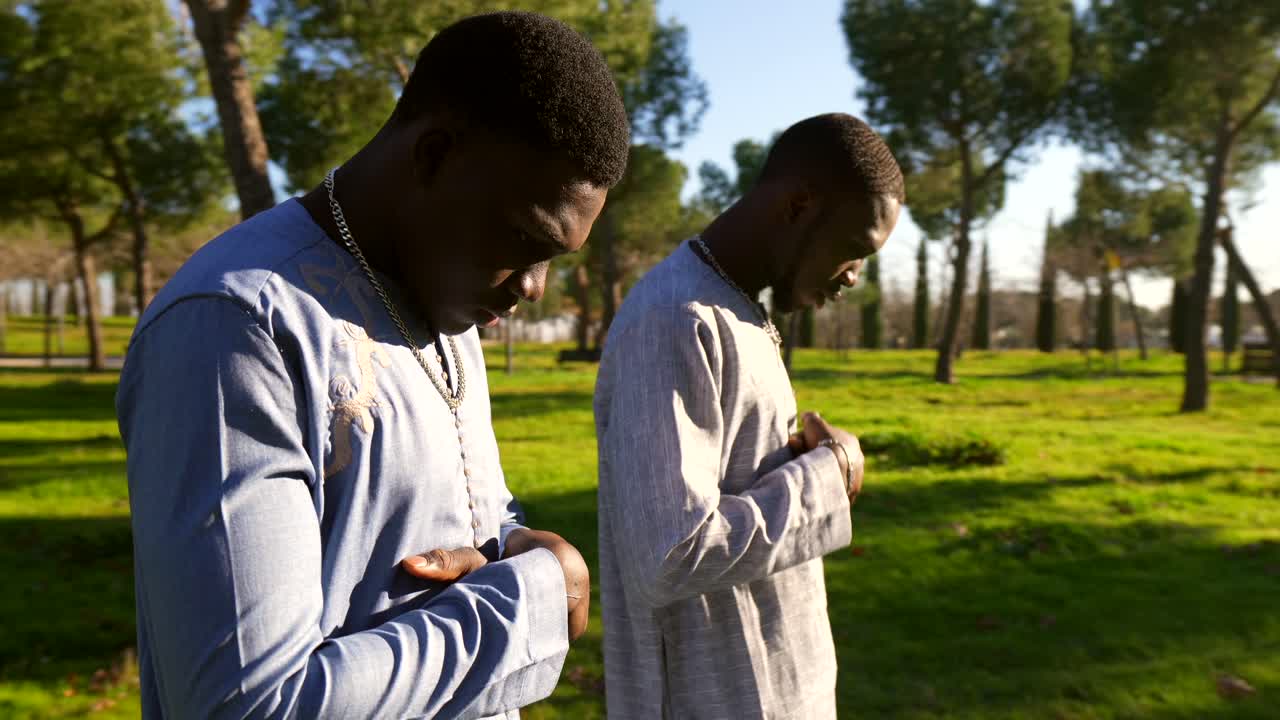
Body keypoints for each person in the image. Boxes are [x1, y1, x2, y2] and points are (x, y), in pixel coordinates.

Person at [116, 11, 630, 718]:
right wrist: (534, 595)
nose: (534, 286)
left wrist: (515, 540)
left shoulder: (445, 295)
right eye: (523, 240)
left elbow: (451, 517)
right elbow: (252, 705)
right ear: (434, 157)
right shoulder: (238, 325)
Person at [594, 113, 904, 719]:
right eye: (853, 251)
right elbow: (670, 552)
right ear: (798, 206)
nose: (853, 277)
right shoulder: (674, 320)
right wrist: (827, 476)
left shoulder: (731, 309)